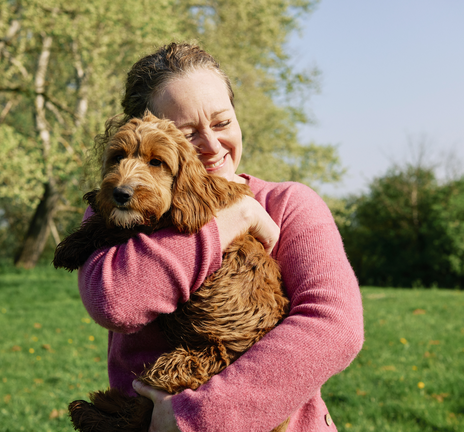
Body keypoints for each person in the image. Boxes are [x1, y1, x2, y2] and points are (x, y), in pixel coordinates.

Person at [77, 42, 364, 432]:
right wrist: (232, 218)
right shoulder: (120, 206)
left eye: (222, 122)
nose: (212, 146)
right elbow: (116, 301)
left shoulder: (288, 203)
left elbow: (335, 326)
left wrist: (199, 417)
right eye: (187, 132)